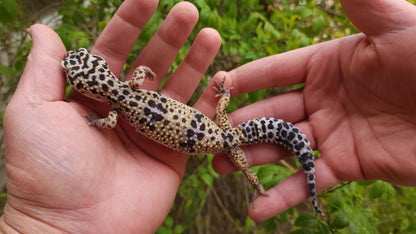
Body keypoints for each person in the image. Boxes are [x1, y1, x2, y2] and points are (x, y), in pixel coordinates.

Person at [1, 0, 415, 232]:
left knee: (247, 155)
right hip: (212, 130)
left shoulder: (115, 110)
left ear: (93, 85)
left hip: (208, 135)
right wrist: (220, 100)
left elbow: (110, 120)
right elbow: (142, 74)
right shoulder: (129, 87)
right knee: (247, 149)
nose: (72, 66)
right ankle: (289, 170)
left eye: (78, 66)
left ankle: (286, 172)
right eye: (77, 67)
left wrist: (95, 123)